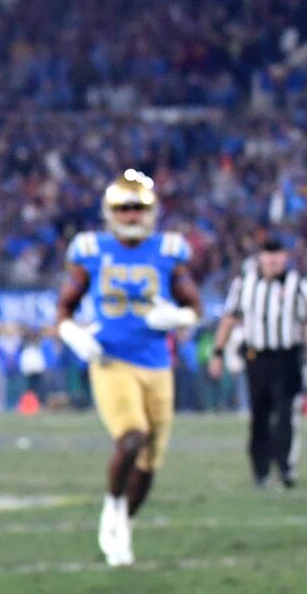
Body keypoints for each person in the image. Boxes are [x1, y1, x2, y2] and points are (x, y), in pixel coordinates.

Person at [55, 169, 200, 565]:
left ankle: (123, 522)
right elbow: (64, 309)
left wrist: (177, 318)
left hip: (157, 363)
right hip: (111, 359)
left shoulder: (169, 249)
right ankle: (112, 507)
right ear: (110, 210)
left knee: (152, 459)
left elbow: (195, 308)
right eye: (125, 208)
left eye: (138, 208)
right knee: (131, 437)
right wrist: (74, 336)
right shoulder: (90, 249)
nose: (132, 216)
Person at [213, 235, 307, 487]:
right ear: (259, 257)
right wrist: (218, 352)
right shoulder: (244, 284)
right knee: (259, 415)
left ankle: (285, 468)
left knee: (286, 413)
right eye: (267, 254)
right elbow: (229, 318)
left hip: (287, 356)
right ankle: (260, 470)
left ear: (285, 257)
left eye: (277, 254)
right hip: (256, 357)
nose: (272, 259)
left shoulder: (298, 285)